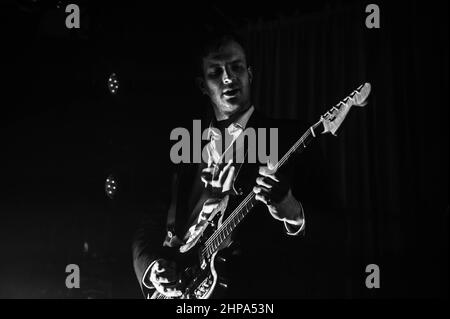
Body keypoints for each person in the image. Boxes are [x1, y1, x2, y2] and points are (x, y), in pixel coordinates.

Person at [132, 31, 308, 298]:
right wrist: (154, 267)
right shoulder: (186, 145)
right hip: (182, 284)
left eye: (236, 67)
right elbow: (150, 221)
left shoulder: (287, 137)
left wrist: (294, 213)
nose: (229, 78)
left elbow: (334, 225)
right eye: (216, 72)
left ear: (250, 74)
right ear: (202, 85)